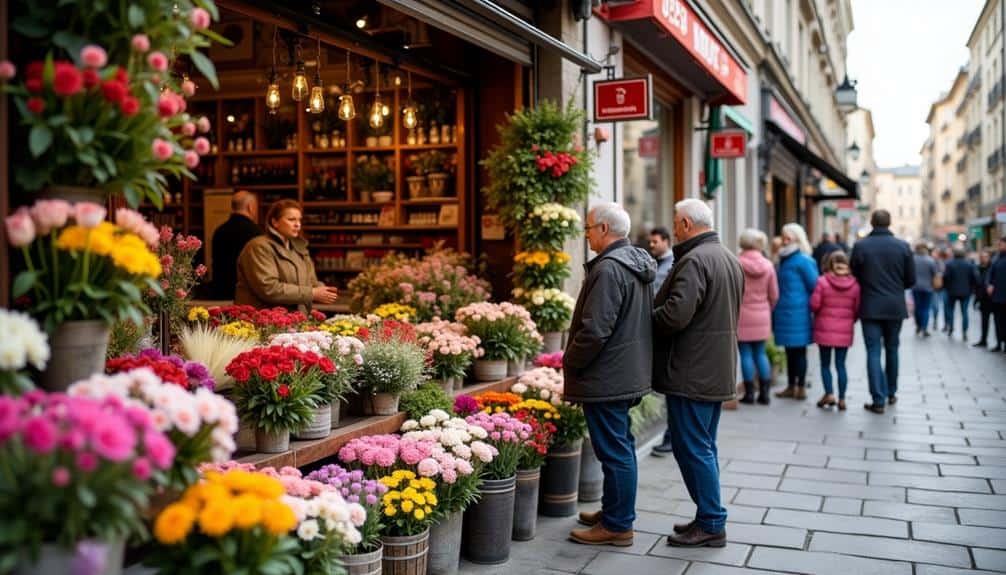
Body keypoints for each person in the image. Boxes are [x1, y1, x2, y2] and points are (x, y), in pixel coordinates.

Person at [652, 199, 744, 548]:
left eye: (676, 223)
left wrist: (646, 319)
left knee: (693, 448)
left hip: (692, 370)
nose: (674, 229)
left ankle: (711, 522)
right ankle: (708, 515)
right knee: (703, 446)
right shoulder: (726, 257)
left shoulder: (694, 259)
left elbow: (676, 315)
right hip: (715, 367)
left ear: (688, 224)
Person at [565, 203, 655, 548]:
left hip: (607, 374)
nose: (585, 234)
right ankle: (614, 511)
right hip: (623, 371)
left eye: (588, 228)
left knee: (614, 451)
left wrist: (570, 361)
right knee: (620, 447)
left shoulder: (609, 268)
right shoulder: (632, 261)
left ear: (604, 229)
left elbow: (595, 330)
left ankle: (618, 524)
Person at [850, 210, 915, 414]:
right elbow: (911, 280)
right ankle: (891, 392)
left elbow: (854, 273)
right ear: (890, 222)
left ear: (871, 222)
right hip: (895, 306)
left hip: (870, 305)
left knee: (873, 351)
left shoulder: (861, 246)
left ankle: (878, 398)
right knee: (893, 349)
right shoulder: (903, 246)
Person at [234, 199, 339, 311]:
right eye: (291, 219)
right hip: (264, 324)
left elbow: (310, 282)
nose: (297, 224)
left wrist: (322, 289)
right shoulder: (259, 247)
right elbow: (269, 289)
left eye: (299, 220)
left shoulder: (300, 249)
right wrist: (312, 293)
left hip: (295, 321)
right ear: (275, 222)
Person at [772, 223, 818, 400]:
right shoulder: (781, 259)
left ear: (796, 237)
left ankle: (800, 387)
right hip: (783, 310)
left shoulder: (804, 260)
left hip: (799, 311)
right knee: (789, 351)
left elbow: (814, 285)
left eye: (788, 236)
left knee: (799, 351)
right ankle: (791, 386)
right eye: (783, 236)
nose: (784, 240)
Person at [810, 251, 860, 411]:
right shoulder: (855, 285)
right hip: (844, 330)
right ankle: (842, 399)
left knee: (825, 364)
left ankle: (829, 393)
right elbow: (857, 309)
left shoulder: (822, 282)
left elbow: (814, 305)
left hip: (824, 328)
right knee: (841, 365)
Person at [736, 228, 778, 405]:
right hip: (762, 314)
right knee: (760, 352)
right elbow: (774, 294)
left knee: (745, 353)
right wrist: (767, 308)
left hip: (742, 314)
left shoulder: (736, 263)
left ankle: (750, 394)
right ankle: (765, 394)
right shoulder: (768, 265)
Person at [211, 190, 261, 300]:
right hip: (245, 295)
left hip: (220, 292)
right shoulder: (256, 233)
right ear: (250, 207)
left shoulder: (219, 231)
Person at [943, 247, 979, 341]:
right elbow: (975, 278)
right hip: (965, 292)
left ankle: (951, 327)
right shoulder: (969, 264)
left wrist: (947, 287)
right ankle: (964, 332)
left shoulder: (949, 264)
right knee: (964, 312)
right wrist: (972, 289)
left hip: (952, 291)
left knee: (951, 311)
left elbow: (946, 277)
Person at [912, 243, 939, 337]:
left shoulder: (913, 260)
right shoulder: (930, 260)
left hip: (915, 287)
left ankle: (919, 326)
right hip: (928, 288)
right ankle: (924, 327)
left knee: (917, 307)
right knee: (926, 308)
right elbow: (935, 274)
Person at [974, 249, 996, 349]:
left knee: (998, 321)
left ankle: (1000, 342)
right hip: (983, 298)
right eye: (981, 257)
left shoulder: (993, 267)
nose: (983, 259)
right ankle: (983, 340)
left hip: (993, 298)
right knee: (984, 320)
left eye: (985, 257)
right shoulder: (977, 268)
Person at [987, 237, 1006, 354]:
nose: (999, 246)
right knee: (998, 321)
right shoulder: (996, 258)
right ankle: (999, 343)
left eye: (1001, 244)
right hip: (997, 296)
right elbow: (990, 273)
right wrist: (989, 284)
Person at [931, 247, 946, 332]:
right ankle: (935, 321)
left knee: (940, 305)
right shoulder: (931, 262)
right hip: (934, 288)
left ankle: (943, 323)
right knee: (935, 306)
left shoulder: (941, 263)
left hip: (941, 288)